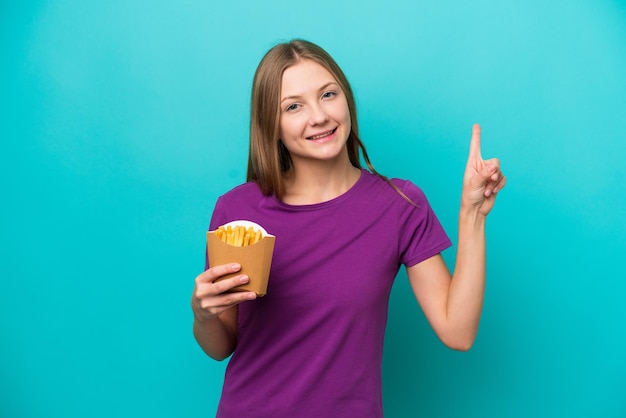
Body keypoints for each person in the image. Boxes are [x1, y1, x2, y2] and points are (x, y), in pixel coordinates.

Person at [191, 39, 506, 418]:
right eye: (293, 106)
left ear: (347, 100)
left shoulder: (399, 205)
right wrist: (204, 314)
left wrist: (472, 215)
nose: (319, 116)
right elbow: (221, 345)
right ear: (271, 126)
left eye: (328, 95)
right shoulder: (237, 210)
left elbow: (458, 332)